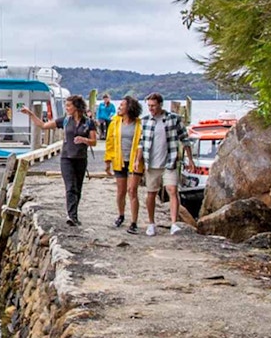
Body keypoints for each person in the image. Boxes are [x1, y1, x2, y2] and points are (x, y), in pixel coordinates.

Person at [21, 95, 97, 226]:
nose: (66, 108)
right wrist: (30, 114)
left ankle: (74, 214)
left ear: (76, 107)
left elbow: (94, 142)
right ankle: (71, 216)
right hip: (66, 158)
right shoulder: (65, 120)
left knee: (78, 188)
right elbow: (43, 125)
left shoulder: (89, 123)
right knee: (70, 187)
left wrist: (84, 140)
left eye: (69, 106)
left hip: (81, 158)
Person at [136, 92, 195, 236]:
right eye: (149, 106)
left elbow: (185, 139)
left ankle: (174, 223)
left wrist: (190, 159)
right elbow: (141, 143)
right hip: (152, 163)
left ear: (160, 105)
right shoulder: (145, 121)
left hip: (170, 161)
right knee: (151, 193)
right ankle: (151, 223)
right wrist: (138, 160)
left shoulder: (173, 119)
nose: (151, 108)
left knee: (172, 190)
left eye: (153, 106)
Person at [103, 95, 143, 232]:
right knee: (121, 192)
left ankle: (134, 222)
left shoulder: (139, 124)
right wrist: (107, 161)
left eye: (122, 105)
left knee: (132, 191)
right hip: (119, 160)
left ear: (129, 108)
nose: (119, 107)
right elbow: (109, 142)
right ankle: (121, 215)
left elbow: (141, 143)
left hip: (135, 162)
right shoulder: (115, 122)